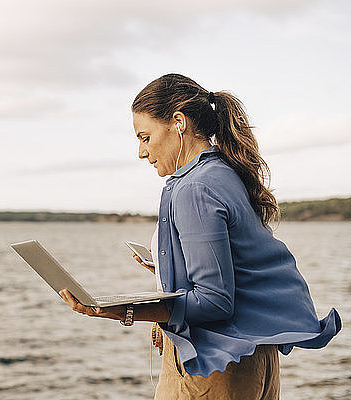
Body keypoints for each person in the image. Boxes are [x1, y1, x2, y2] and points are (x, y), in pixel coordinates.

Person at [59, 73, 341, 399]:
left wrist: (121, 310)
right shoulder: (225, 172)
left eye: (145, 137)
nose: (140, 151)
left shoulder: (194, 187)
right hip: (251, 357)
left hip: (213, 367)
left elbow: (213, 303)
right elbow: (239, 262)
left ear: (178, 122)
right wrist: (169, 270)